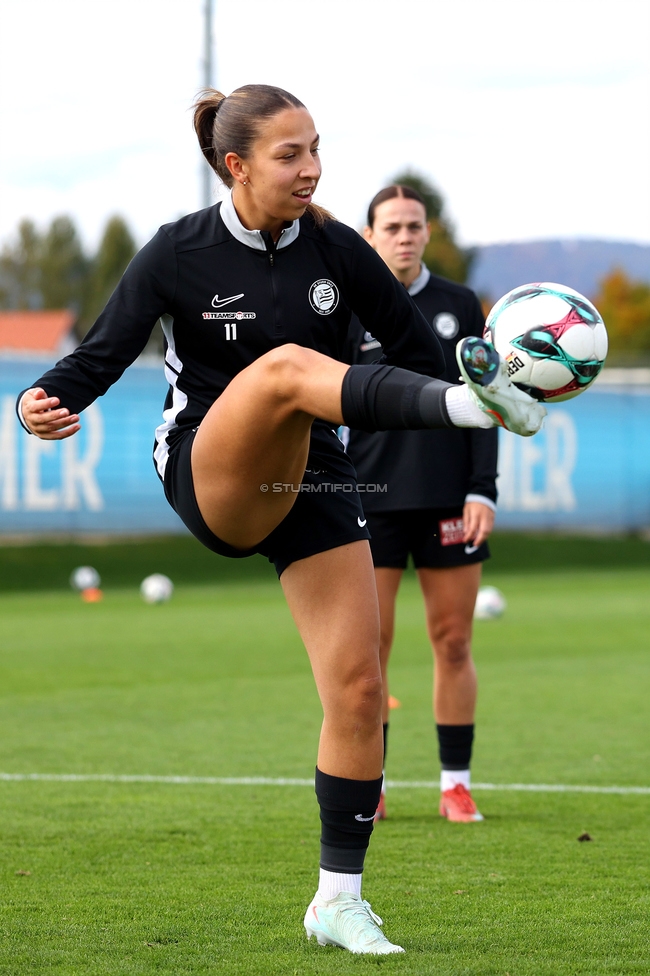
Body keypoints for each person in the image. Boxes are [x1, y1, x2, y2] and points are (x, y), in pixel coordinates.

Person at [17, 86, 544, 955]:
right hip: (209, 470)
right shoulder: (176, 252)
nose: (313, 169)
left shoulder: (340, 250)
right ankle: (471, 410)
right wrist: (41, 405)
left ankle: (338, 899)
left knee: (362, 690)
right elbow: (96, 357)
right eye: (290, 154)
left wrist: (481, 373)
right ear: (236, 166)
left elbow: (415, 355)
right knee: (283, 371)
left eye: (317, 149)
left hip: (315, 475)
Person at [343, 184, 497, 824]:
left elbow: (493, 401)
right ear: (371, 235)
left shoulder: (460, 304)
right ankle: (369, 785)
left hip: (448, 499)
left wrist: (481, 488)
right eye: (391, 227)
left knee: (454, 641)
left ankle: (455, 784)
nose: (404, 236)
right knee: (367, 653)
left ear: (427, 233)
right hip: (370, 501)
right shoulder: (348, 307)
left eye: (414, 225)